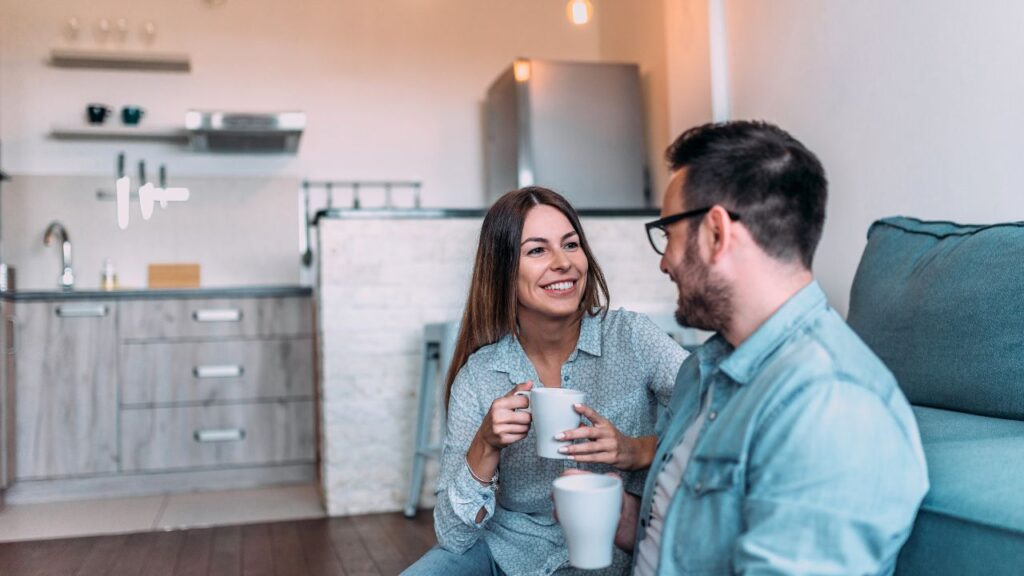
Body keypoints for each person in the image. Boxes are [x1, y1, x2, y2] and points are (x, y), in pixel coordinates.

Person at [610, 121, 929, 574]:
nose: (664, 262)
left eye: (668, 235)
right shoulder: (701, 369)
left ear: (716, 233)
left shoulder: (832, 404)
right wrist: (624, 519)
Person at [402, 187, 687, 575]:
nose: (563, 263)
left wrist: (636, 450)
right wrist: (486, 444)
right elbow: (453, 537)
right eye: (537, 250)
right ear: (503, 269)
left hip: (612, 553)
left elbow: (717, 413)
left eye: (571, 245)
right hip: (508, 552)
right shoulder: (481, 376)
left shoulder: (632, 338)